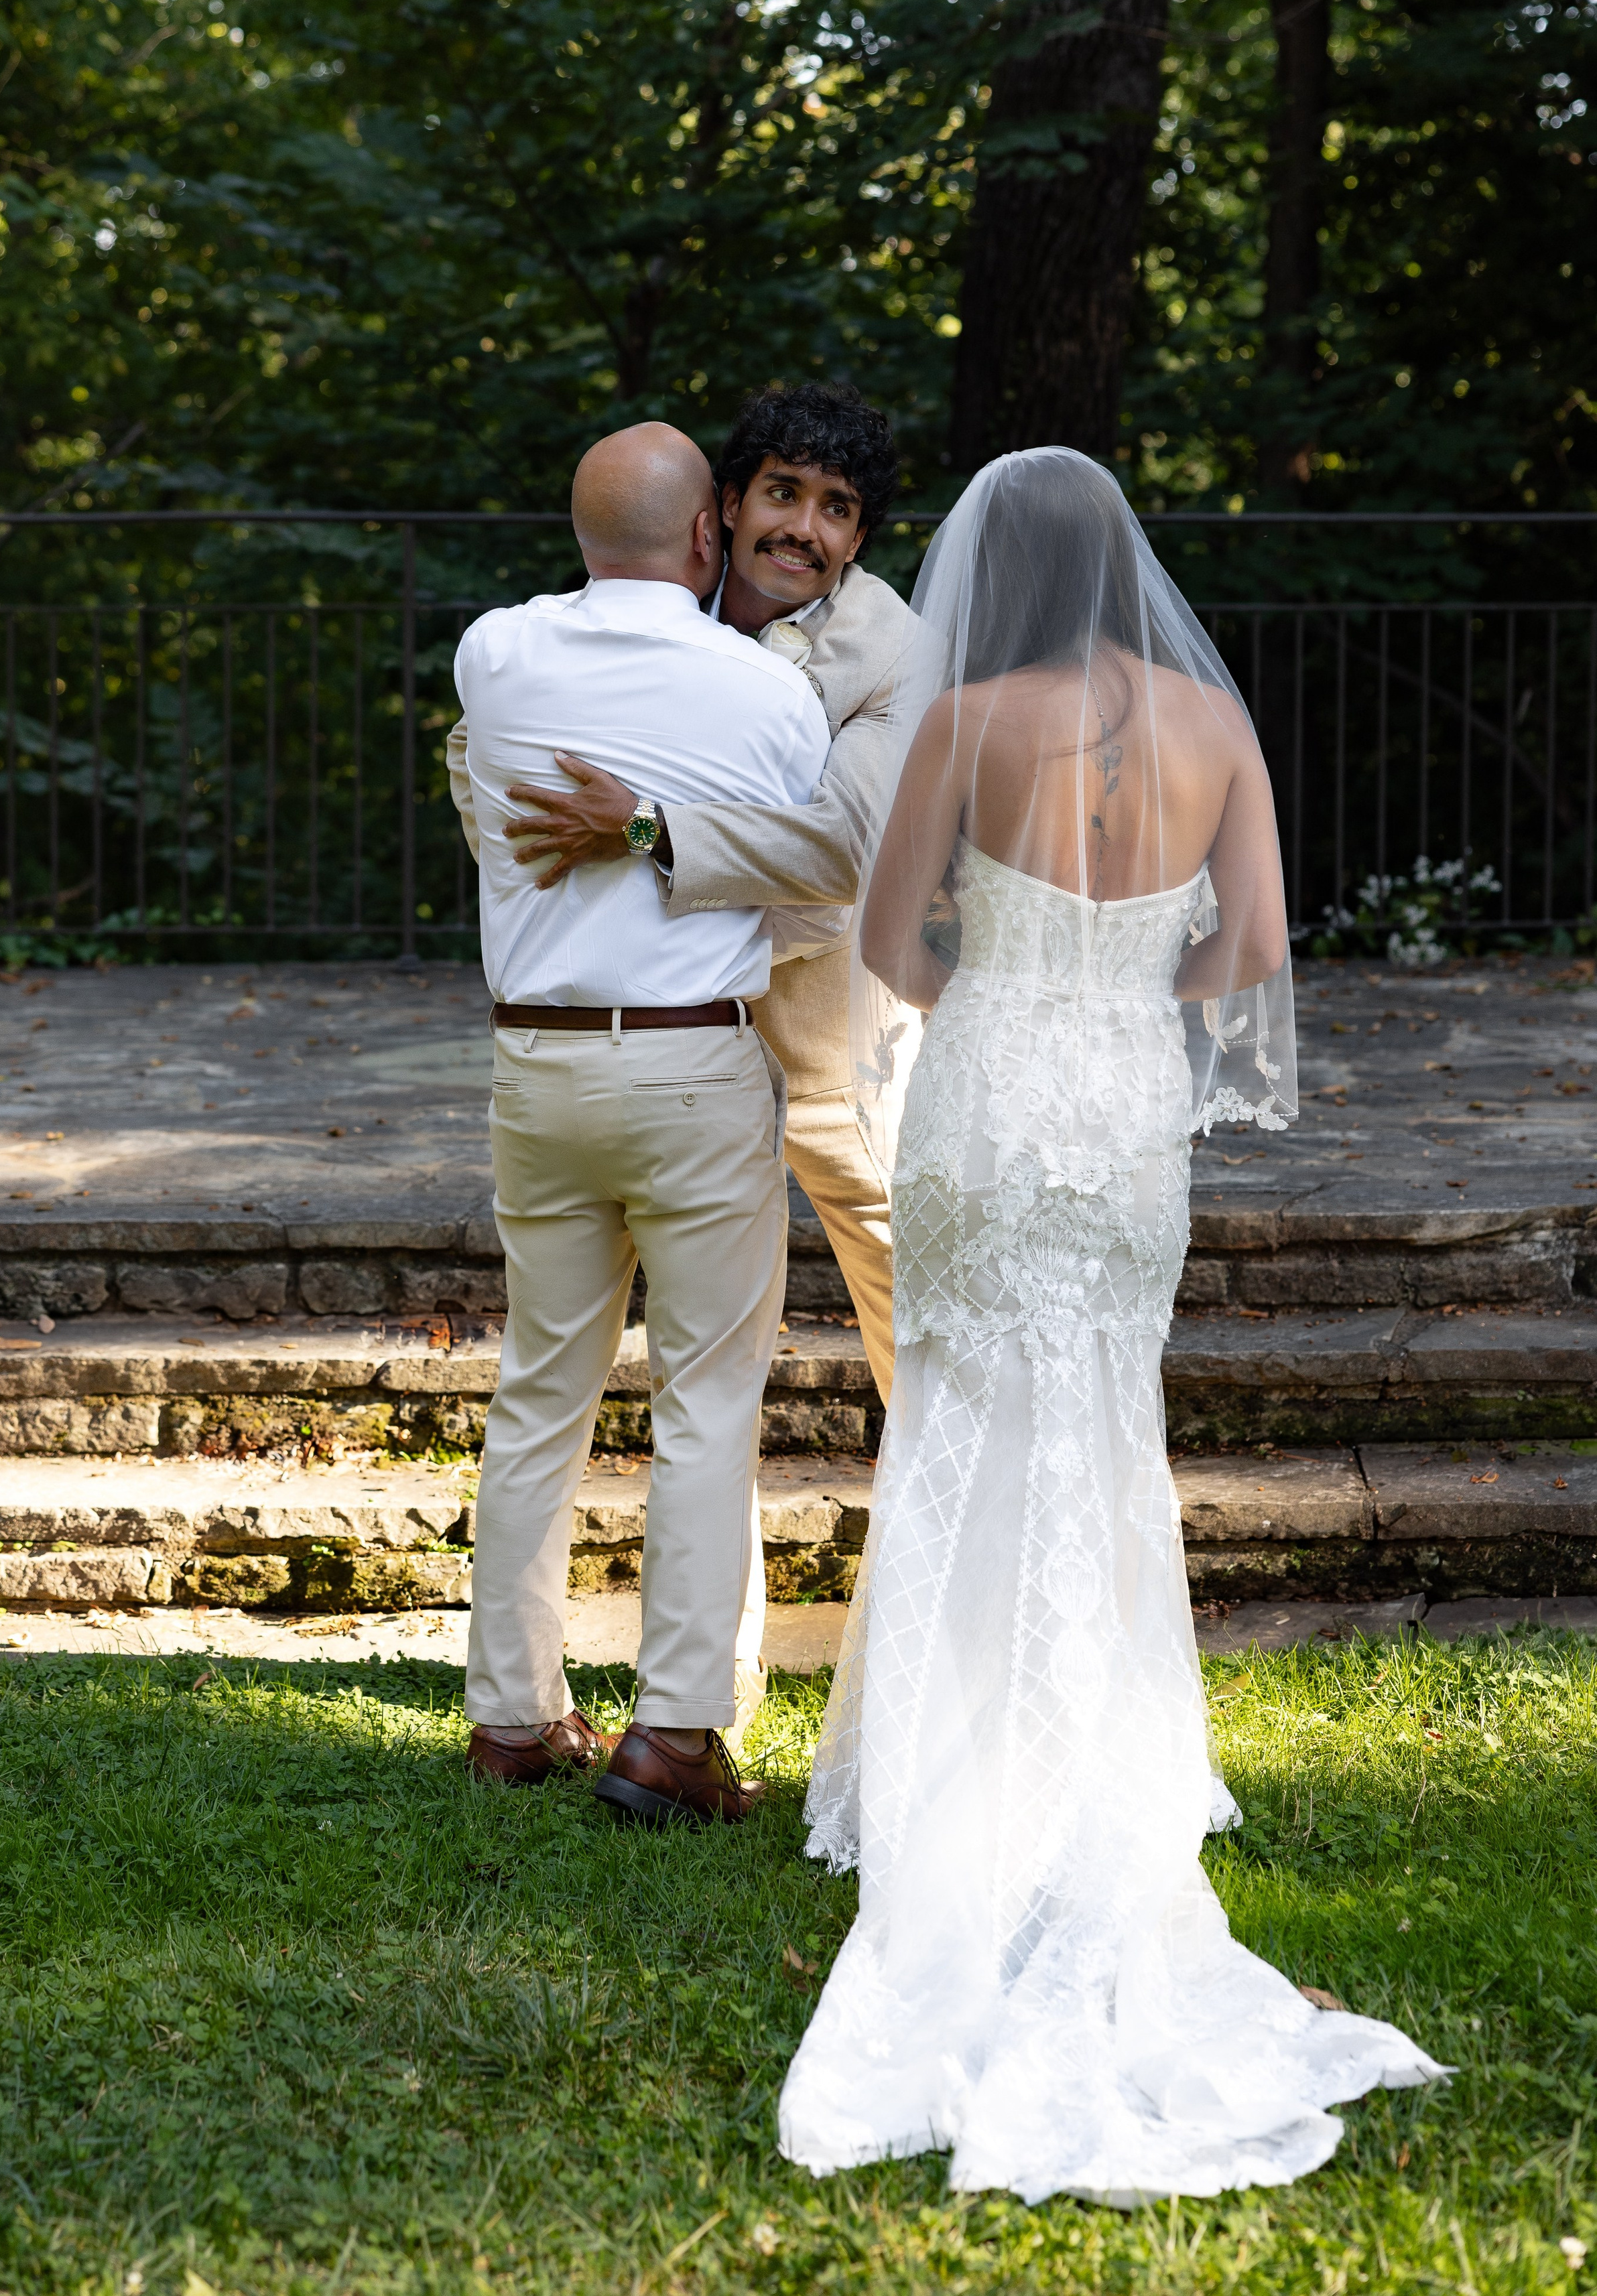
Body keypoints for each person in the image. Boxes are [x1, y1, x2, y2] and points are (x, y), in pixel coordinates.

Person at [777, 448, 1446, 2199]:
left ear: (1000, 572)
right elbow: (1256, 955)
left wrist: (1000, 985)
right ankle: (1096, 1787)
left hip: (993, 1096)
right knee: (1101, 1434)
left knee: (967, 1425)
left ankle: (957, 1788)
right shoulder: (1215, 730)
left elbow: (888, 941)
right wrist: (1121, 994)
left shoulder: (966, 717)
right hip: (1126, 1112)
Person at [453, 421, 828, 1822]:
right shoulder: (766, 695)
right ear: (703, 539)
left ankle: (506, 1714)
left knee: (538, 1391)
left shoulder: (496, 655)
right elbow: (812, 892)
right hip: (692, 1067)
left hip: (535, 1069)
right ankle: (671, 1735)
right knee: (707, 1402)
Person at [453, 383, 913, 1401]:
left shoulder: (891, 652)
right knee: (708, 1389)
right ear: (726, 507)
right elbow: (473, 750)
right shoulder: (641, 599)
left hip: (832, 1046)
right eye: (783, 494)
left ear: (859, 538)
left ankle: (938, 1551)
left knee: (912, 1326)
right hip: (673, 1052)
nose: (802, 530)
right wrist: (546, 874)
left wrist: (646, 839)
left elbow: (846, 848)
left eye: (836, 510)